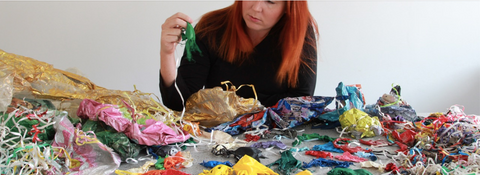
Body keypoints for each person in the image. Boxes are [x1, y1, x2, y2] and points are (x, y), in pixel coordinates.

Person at [160, 1, 319, 111]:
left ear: (288, 6)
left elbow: (301, 103)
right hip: (216, 140)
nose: (256, 7)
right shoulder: (211, 28)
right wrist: (167, 53)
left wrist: (228, 105)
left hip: (275, 139)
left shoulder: (299, 34)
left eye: (270, 1)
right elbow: (181, 105)